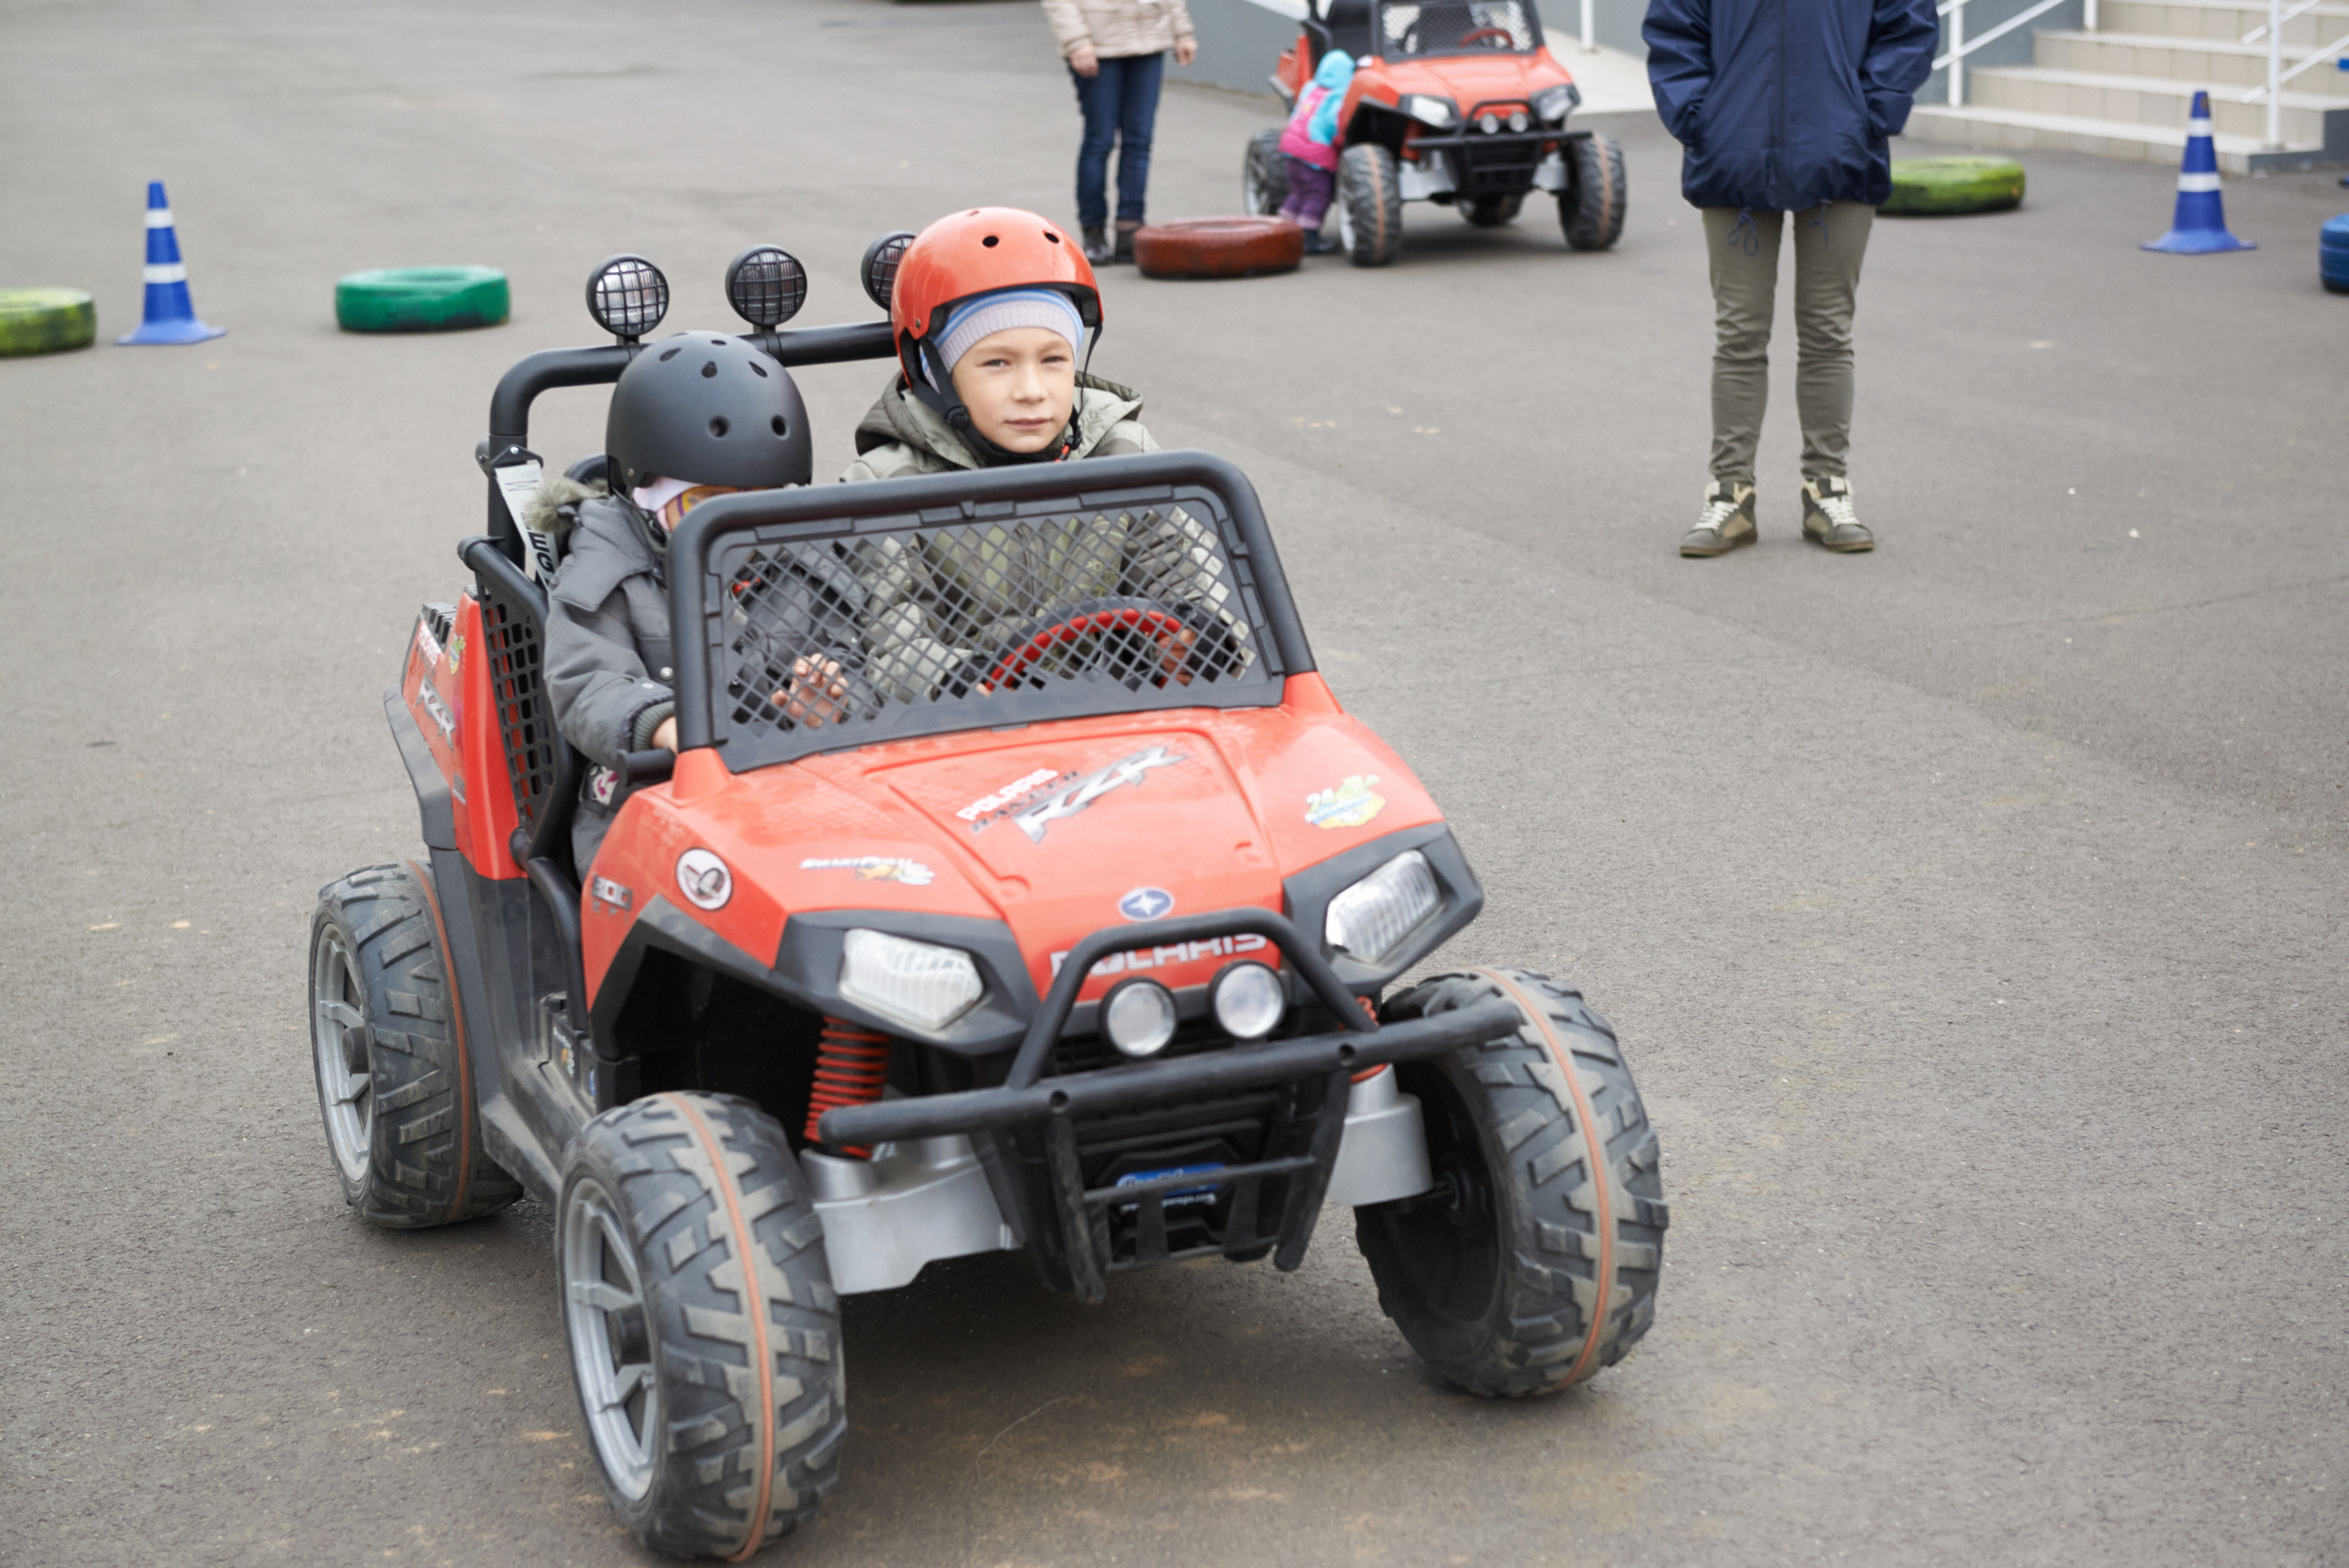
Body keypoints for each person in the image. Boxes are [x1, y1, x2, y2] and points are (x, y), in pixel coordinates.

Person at [834, 206, 1239, 704]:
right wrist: (960, 683)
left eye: (1053, 360)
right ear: (936, 375)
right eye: (997, 363)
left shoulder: (1122, 456)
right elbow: (892, 641)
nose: (1032, 390)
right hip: (965, 726)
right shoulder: (889, 484)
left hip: (1116, 717)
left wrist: (1195, 639)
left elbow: (1189, 586)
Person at [542, 334, 853, 870]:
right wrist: (665, 724)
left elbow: (858, 653)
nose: (735, 529)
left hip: (794, 782)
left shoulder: (803, 557)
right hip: (647, 798)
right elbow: (586, 680)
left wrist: (834, 702)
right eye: (704, 505)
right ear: (646, 499)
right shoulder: (607, 567)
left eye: (760, 504)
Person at [1644, 0, 1939, 557]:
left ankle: (1827, 491)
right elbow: (1674, 32)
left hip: (1841, 151)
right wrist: (1702, 119)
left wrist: (1870, 112)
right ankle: (1730, 496)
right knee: (1739, 334)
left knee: (1827, 331)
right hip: (1734, 154)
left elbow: (1909, 24)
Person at [1042, 0, 1199, 264]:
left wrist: (1183, 32)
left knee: (1139, 139)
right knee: (1100, 140)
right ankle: (1093, 231)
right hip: (1097, 44)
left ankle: (1130, 227)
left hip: (1148, 39)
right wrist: (1077, 41)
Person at [1277, 49, 1353, 253]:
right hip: (1314, 158)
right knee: (1318, 195)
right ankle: (1309, 238)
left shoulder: (1310, 88)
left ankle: (1284, 232)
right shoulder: (1337, 97)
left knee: (1299, 193)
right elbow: (1334, 126)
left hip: (1291, 152)